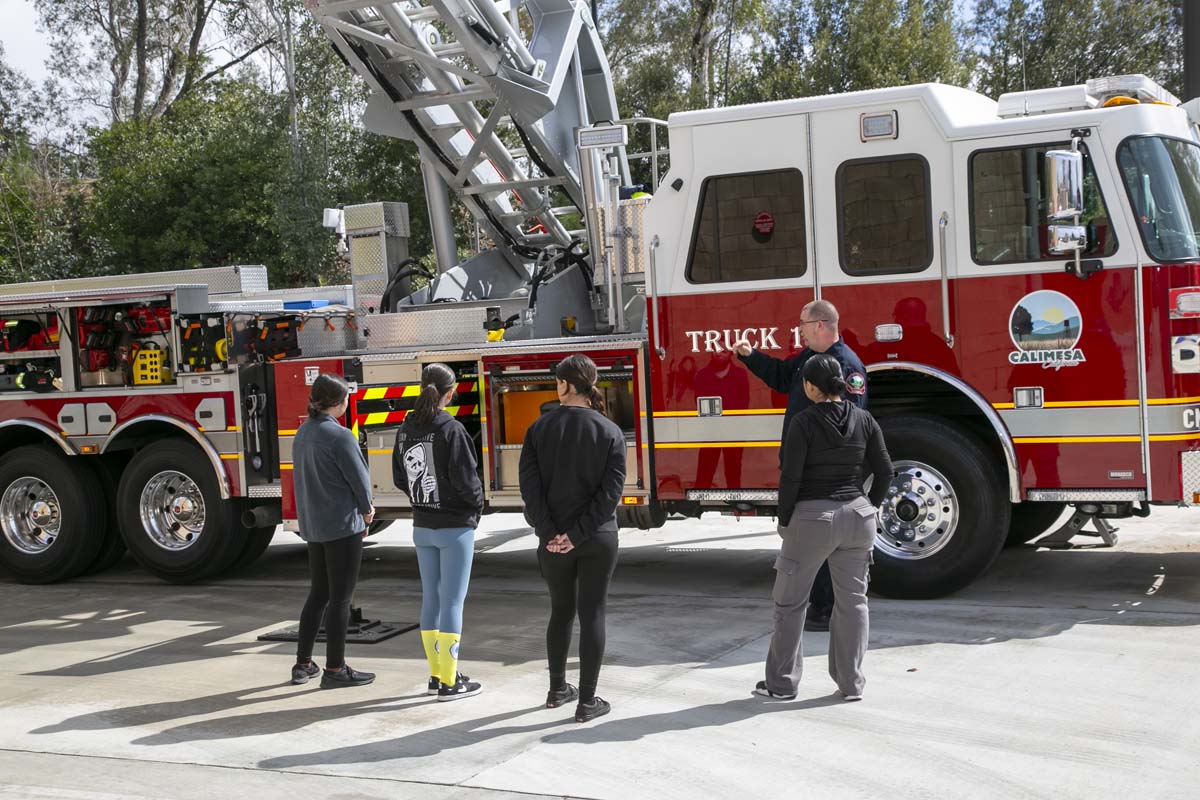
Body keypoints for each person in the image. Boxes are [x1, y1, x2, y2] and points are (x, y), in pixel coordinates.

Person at [755, 354, 892, 702]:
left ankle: (782, 684)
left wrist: (785, 518)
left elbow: (792, 476)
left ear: (810, 387)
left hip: (814, 519)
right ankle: (851, 684)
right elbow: (886, 470)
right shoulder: (864, 419)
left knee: (790, 604)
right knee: (853, 603)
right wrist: (869, 504)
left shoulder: (803, 422)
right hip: (859, 518)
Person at [733, 299, 868, 632]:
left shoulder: (845, 366)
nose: (800, 331)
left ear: (821, 325)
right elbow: (782, 378)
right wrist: (751, 357)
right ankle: (822, 605)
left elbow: (848, 424)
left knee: (821, 543)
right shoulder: (812, 359)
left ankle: (825, 610)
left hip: (825, 476)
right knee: (812, 542)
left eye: (803, 325)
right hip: (808, 468)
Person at [519, 354, 626, 723]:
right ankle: (588, 700)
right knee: (592, 613)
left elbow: (530, 491)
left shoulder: (538, 429)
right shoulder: (609, 431)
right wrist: (578, 534)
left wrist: (551, 533)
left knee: (560, 612)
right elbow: (610, 494)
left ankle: (556, 689)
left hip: (552, 544)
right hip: (596, 538)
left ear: (565, 386)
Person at [393, 363, 485, 701]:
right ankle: (450, 682)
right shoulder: (452, 429)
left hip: (422, 526)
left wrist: (421, 502)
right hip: (454, 527)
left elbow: (401, 477)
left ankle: (437, 673)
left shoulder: (405, 428)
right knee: (453, 602)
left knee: (431, 599)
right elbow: (467, 480)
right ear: (450, 393)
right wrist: (475, 510)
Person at [291, 374, 376, 689]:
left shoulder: (303, 433)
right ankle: (336, 669)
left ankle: (303, 663)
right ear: (339, 403)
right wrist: (367, 513)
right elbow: (359, 481)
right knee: (341, 599)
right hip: (342, 526)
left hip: (315, 527)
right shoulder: (341, 437)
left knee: (319, 594)